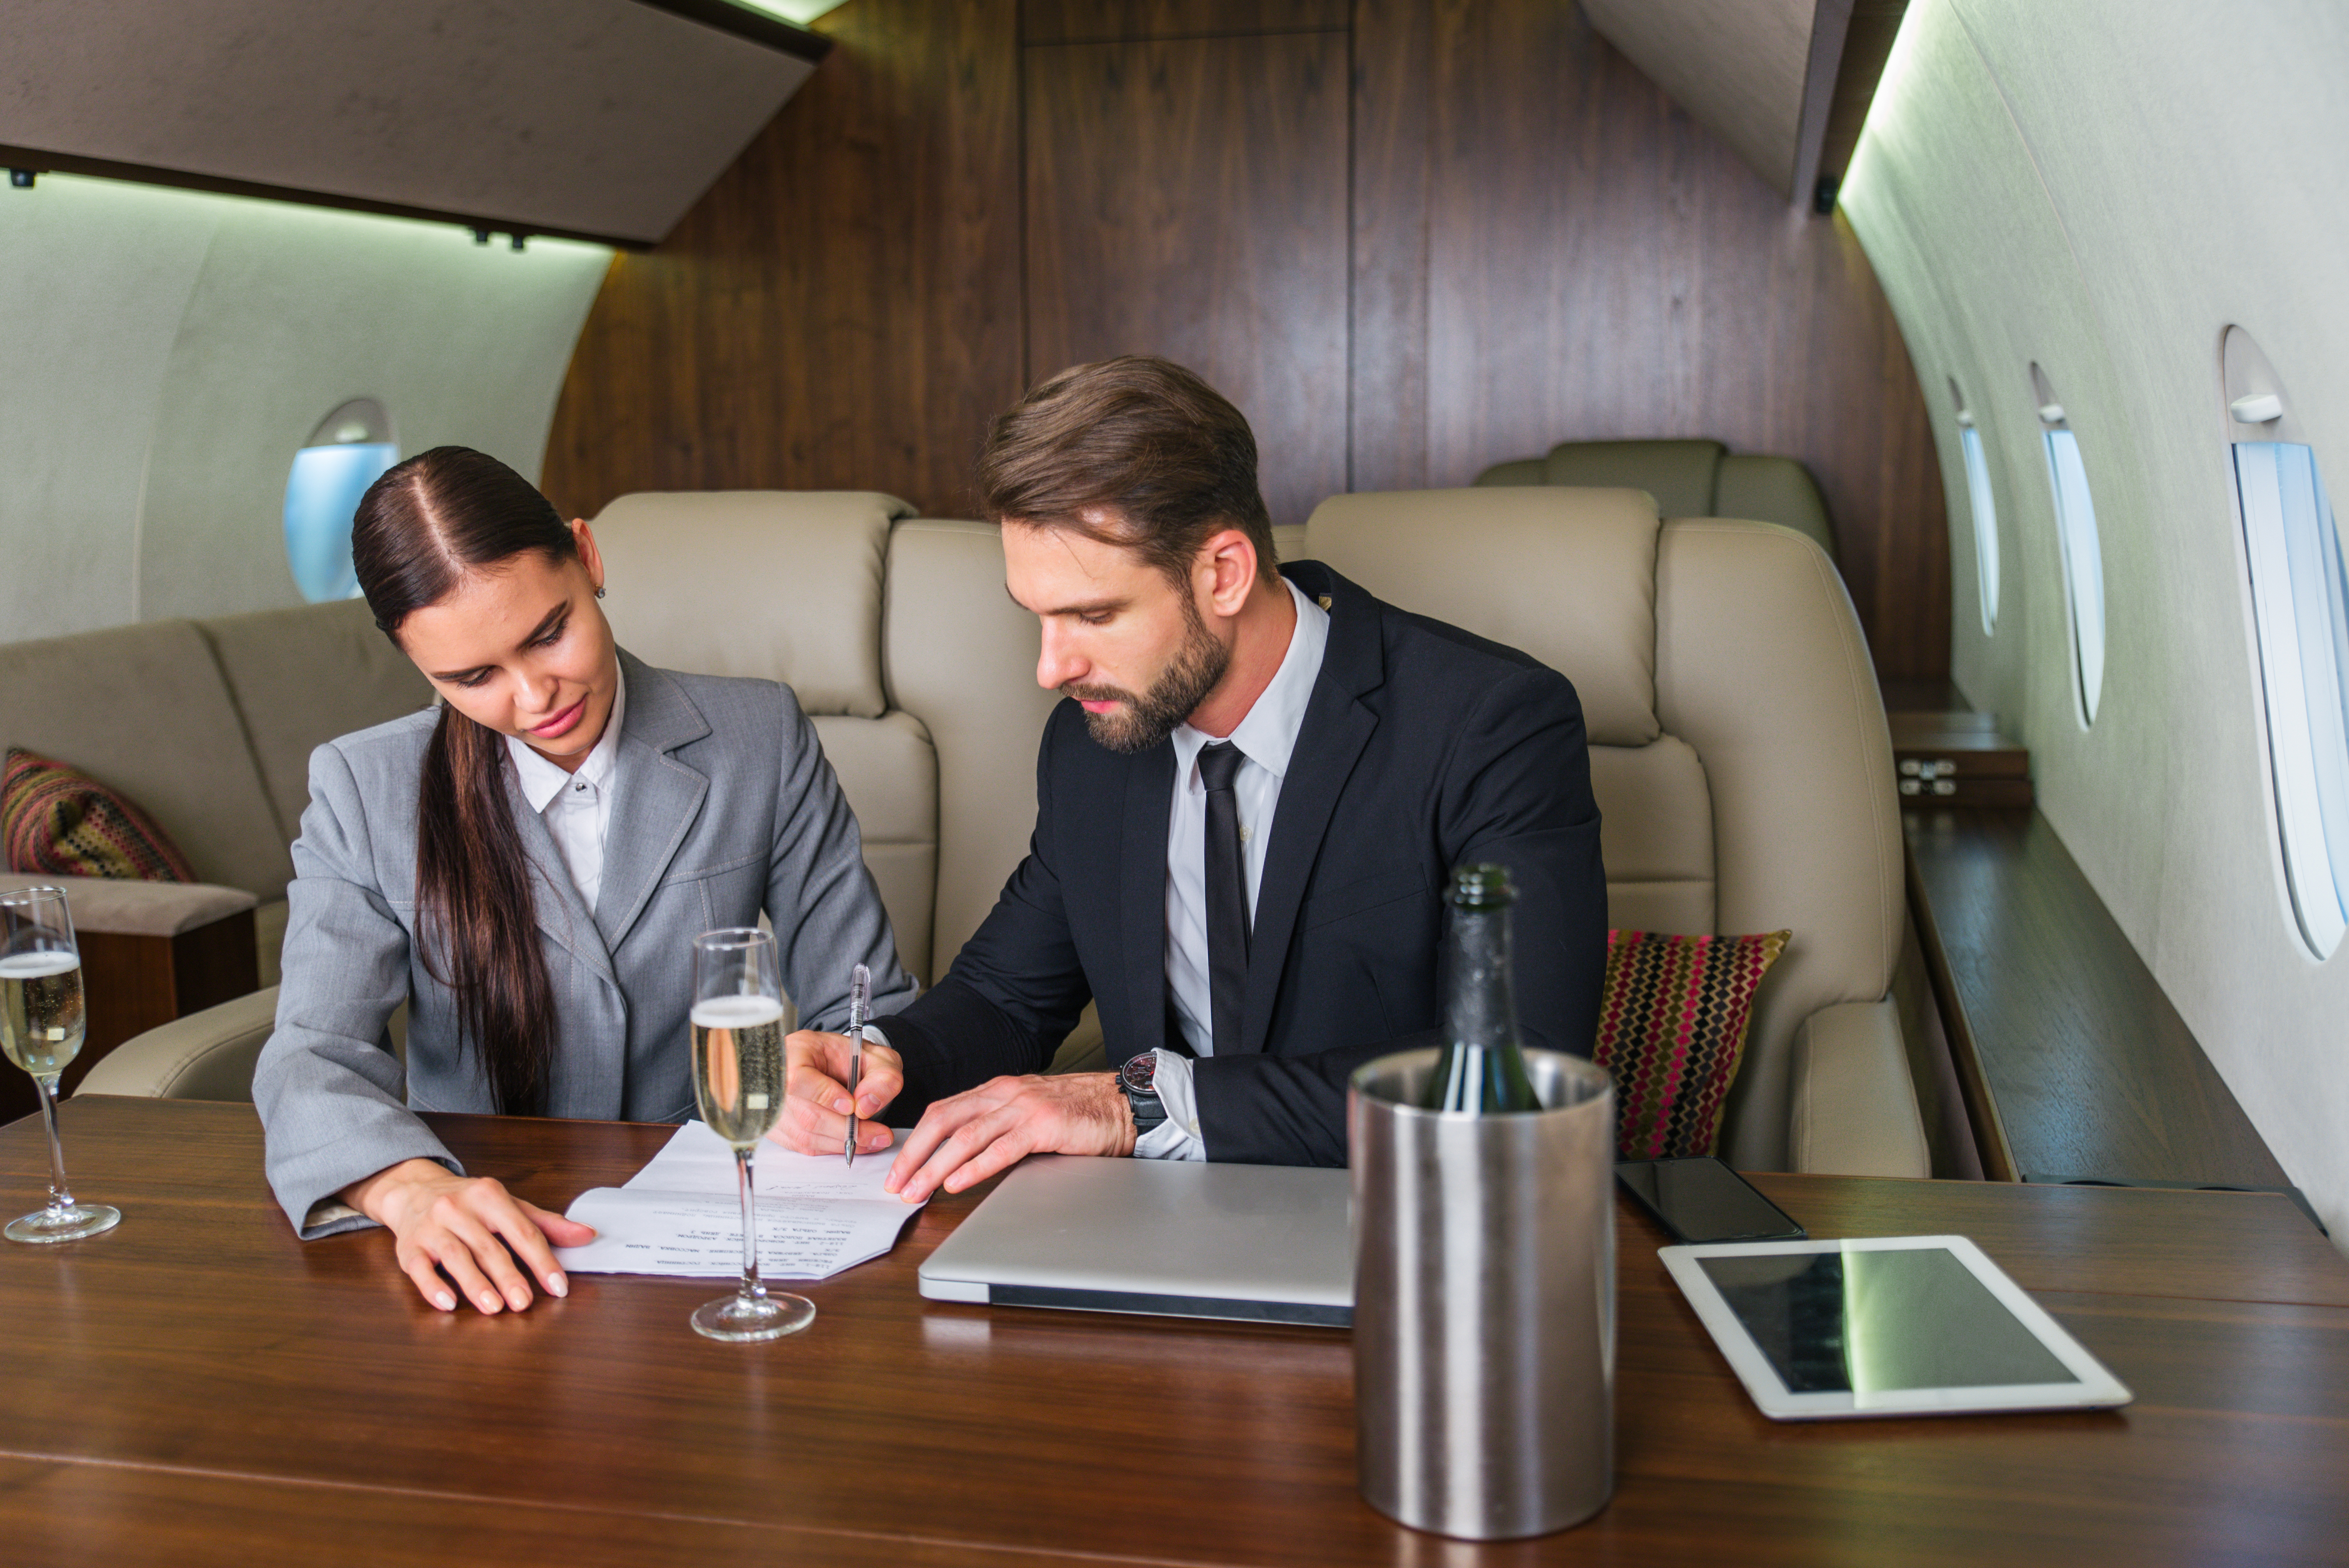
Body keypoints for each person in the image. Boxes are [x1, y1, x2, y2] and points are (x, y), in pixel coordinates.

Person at [773, 356, 1605, 1197]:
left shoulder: (1489, 723)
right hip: (1154, 1229)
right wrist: (876, 1061)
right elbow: (1006, 998)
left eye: (1094, 615)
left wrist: (1136, 1106)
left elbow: (1523, 1072)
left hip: (1402, 1220)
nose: (1050, 668)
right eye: (1037, 616)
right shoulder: (1088, 744)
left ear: (1224, 574)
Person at [252, 446, 914, 1315]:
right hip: (491, 1246)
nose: (535, 698)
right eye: (474, 678)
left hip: (719, 1234)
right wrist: (408, 1191)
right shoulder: (362, 788)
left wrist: (835, 1075)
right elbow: (311, 1056)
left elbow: (864, 1012)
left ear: (589, 559)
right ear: (420, 666)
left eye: (547, 633)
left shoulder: (762, 737)